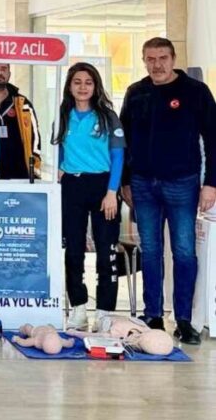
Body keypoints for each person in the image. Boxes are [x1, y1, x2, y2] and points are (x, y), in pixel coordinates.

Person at [120, 37, 216, 345]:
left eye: (162, 58)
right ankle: (153, 316)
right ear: (144, 60)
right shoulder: (136, 93)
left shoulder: (195, 92)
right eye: (150, 59)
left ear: (173, 59)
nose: (157, 64)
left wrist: (211, 183)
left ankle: (184, 320)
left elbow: (214, 140)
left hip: (183, 184)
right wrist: (124, 181)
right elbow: (122, 140)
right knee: (150, 252)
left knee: (184, 252)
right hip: (143, 184)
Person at [53, 63, 125, 332]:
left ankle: (105, 312)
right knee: (73, 251)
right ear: (69, 86)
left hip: (103, 187)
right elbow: (60, 149)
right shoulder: (63, 116)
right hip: (73, 186)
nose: (82, 87)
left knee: (107, 252)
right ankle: (79, 309)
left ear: (96, 87)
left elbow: (118, 157)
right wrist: (61, 168)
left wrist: (111, 192)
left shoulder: (108, 117)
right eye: (77, 82)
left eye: (88, 82)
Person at [0, 63, 42, 180]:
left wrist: (33, 170)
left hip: (18, 175)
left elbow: (35, 139)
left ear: (9, 74)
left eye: (4, 69)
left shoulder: (23, 103)